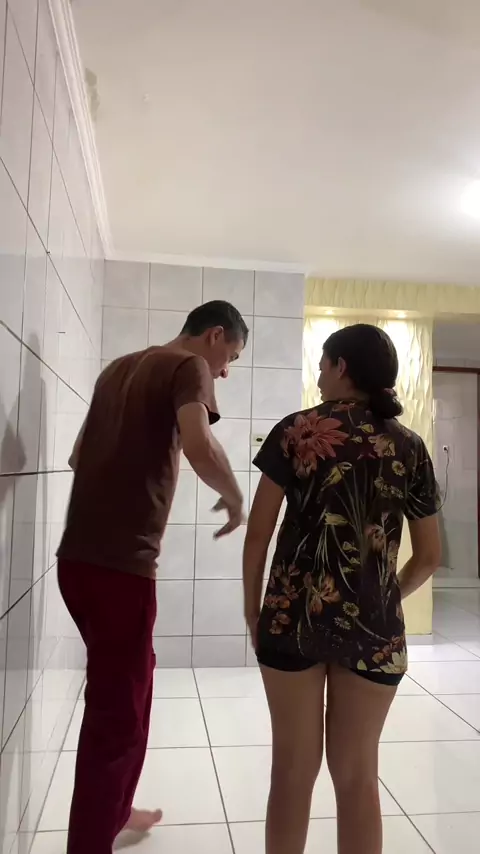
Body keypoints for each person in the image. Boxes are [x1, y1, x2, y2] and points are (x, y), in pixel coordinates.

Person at [57, 300, 248, 854]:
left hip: (77, 561)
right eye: (231, 356)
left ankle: (116, 812)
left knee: (132, 689)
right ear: (214, 336)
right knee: (117, 717)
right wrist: (235, 495)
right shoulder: (189, 366)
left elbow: (77, 458)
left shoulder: (117, 368)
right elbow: (199, 444)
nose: (225, 371)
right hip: (121, 569)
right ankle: (90, 842)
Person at [243, 323, 441, 854]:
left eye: (322, 365)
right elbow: (429, 557)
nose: (318, 377)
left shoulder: (297, 430)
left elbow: (258, 534)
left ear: (341, 367)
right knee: (357, 777)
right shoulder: (410, 446)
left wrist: (252, 611)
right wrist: (384, 597)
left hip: (290, 618)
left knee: (292, 770)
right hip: (375, 630)